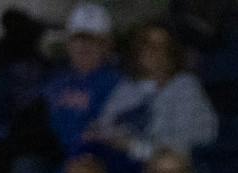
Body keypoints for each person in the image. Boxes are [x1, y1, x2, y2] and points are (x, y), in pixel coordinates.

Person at [86, 21, 217, 163]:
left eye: (161, 46)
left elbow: (184, 145)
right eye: (147, 44)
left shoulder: (185, 85)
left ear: (171, 52)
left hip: (171, 168)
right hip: (125, 164)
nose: (153, 51)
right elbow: (104, 126)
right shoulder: (127, 86)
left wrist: (134, 147)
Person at [41, 3, 122, 155]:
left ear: (107, 45)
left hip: (97, 159)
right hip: (54, 157)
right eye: (78, 39)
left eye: (92, 40)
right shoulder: (55, 82)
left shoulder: (118, 84)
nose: (84, 46)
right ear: (68, 43)